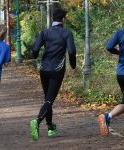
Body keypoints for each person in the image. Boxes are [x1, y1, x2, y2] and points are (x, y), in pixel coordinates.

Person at [30, 8, 76, 141]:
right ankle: (37, 121)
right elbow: (72, 51)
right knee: (49, 100)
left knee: (47, 99)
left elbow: (35, 49)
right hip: (57, 70)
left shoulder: (44, 32)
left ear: (52, 18)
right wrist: (73, 65)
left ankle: (50, 127)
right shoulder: (67, 33)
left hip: (44, 69)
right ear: (63, 19)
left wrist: (35, 56)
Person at [98, 29, 124, 137]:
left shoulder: (120, 33)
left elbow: (109, 46)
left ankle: (107, 117)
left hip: (121, 73)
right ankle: (107, 116)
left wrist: (119, 52)